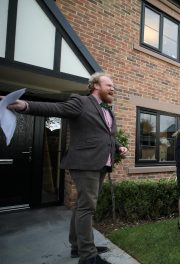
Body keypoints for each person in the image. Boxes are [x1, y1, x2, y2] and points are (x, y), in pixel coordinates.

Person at [3, 72, 128, 264]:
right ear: (95, 85)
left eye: (113, 86)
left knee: (81, 206)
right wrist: (25, 105)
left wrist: (118, 146)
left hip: (102, 163)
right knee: (88, 207)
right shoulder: (81, 102)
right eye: (109, 85)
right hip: (85, 162)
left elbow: (107, 136)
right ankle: (88, 256)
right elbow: (56, 108)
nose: (113, 88)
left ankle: (77, 246)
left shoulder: (107, 111)